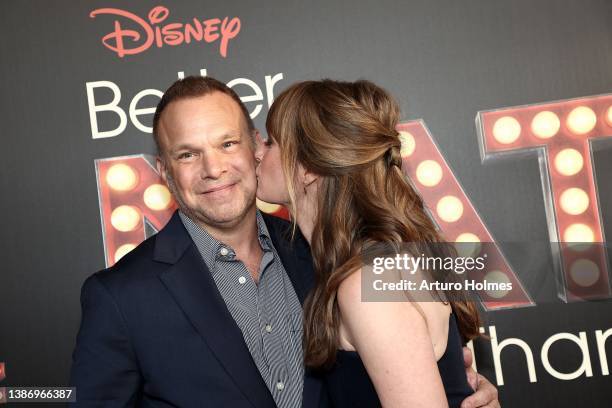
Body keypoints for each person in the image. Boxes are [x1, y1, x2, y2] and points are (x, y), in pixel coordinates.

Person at [70, 76, 499, 408]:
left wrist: (467, 392)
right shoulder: (120, 297)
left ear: (255, 147)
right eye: (188, 154)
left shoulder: (329, 259)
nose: (213, 168)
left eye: (228, 143)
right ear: (164, 173)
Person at [255, 79, 487, 408]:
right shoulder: (370, 266)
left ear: (306, 168)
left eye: (271, 142)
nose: (258, 153)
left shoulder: (367, 278)